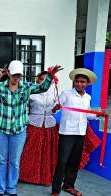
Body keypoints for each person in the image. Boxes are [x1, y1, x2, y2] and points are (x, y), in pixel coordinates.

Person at [0, 60, 61, 196]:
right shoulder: (1, 87)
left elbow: (43, 88)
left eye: (19, 75)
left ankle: (11, 188)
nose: (16, 78)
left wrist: (50, 75)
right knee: (1, 161)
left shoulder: (27, 87)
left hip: (19, 131)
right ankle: (0, 188)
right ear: (8, 73)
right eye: (14, 74)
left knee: (15, 162)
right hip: (1, 130)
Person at [51, 68, 103, 196]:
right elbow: (55, 107)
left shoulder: (87, 97)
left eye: (83, 82)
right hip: (67, 132)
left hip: (80, 133)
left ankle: (68, 186)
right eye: (77, 81)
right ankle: (55, 190)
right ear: (74, 82)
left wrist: (98, 115)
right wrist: (56, 107)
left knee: (74, 161)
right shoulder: (66, 93)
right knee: (62, 161)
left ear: (87, 83)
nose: (79, 84)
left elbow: (87, 115)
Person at [19, 71, 59, 185]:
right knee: (29, 151)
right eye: (41, 79)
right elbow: (24, 108)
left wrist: (55, 109)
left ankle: (43, 178)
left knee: (46, 154)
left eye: (47, 80)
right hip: (33, 124)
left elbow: (53, 110)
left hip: (49, 126)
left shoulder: (54, 93)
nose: (43, 82)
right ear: (37, 80)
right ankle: (26, 176)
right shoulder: (31, 91)